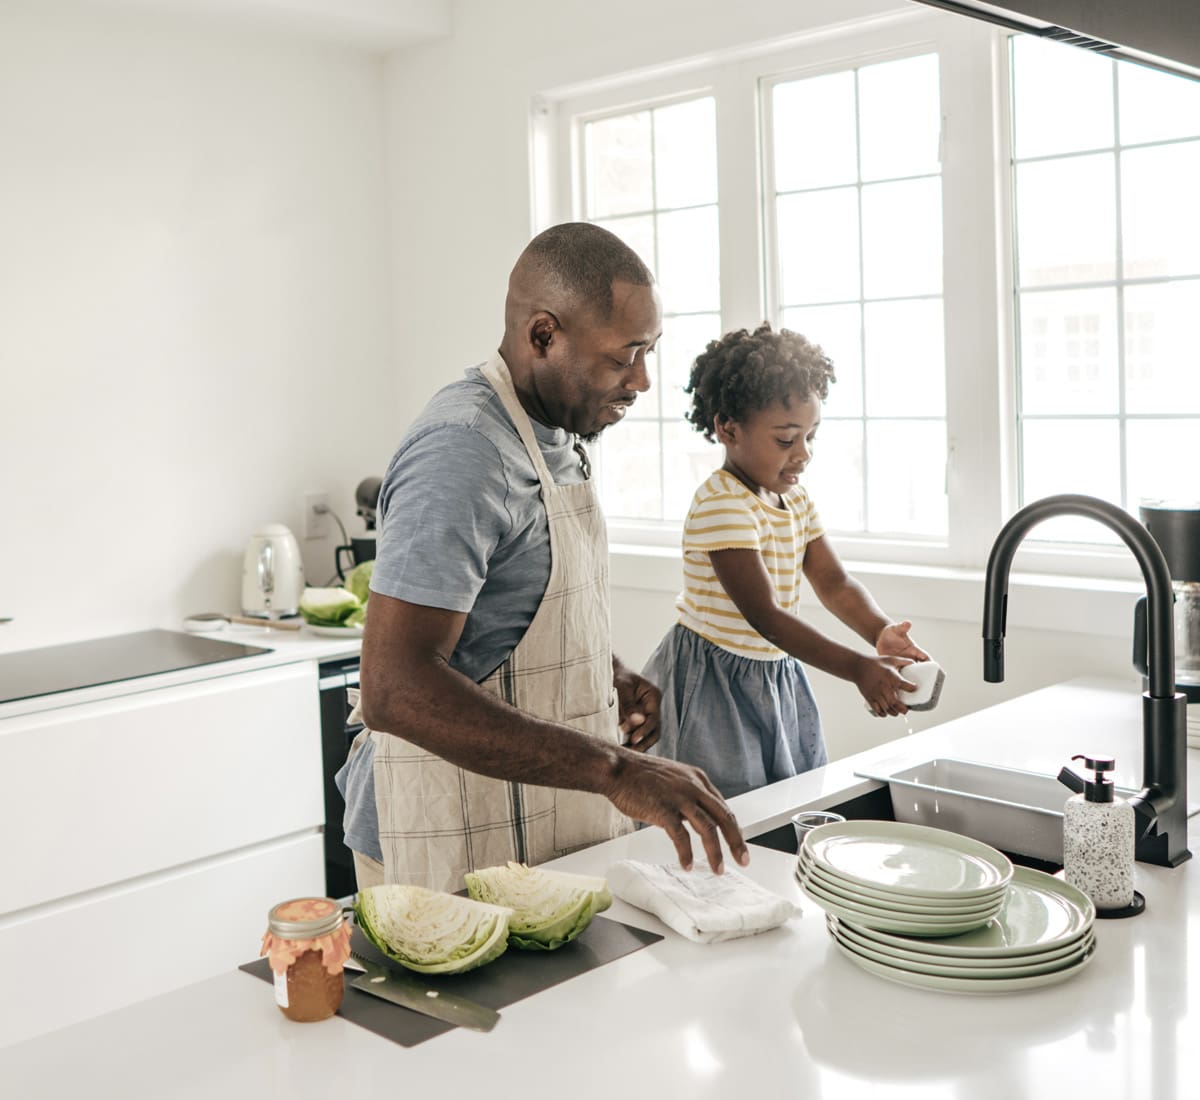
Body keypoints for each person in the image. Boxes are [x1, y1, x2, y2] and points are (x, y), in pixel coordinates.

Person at [335, 222, 748, 894]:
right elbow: (395, 688)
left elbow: (507, 616)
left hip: (531, 827)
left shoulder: (560, 433)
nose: (642, 379)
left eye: (650, 351)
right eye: (625, 355)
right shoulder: (462, 452)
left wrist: (603, 673)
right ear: (543, 336)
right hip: (440, 832)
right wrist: (616, 769)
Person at [642, 322, 929, 799]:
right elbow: (767, 618)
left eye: (810, 436)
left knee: (787, 802)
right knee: (721, 809)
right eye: (785, 440)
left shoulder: (792, 499)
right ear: (728, 428)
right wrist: (860, 668)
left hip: (775, 675)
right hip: (716, 683)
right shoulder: (722, 504)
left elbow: (834, 582)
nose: (803, 454)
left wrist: (878, 632)